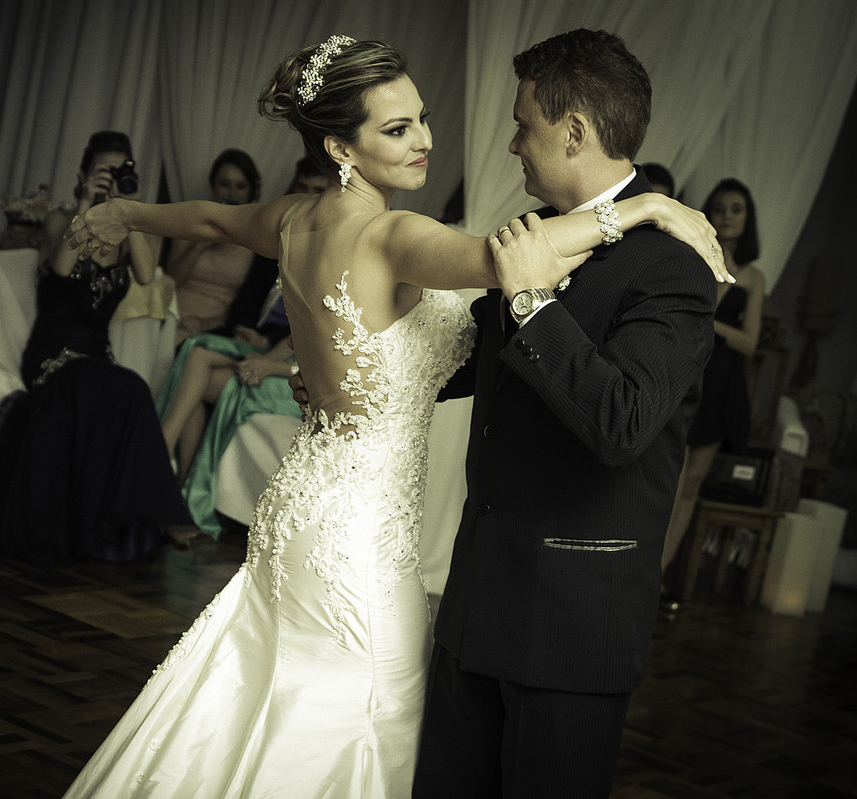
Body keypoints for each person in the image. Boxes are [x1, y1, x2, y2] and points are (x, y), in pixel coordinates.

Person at [59, 35, 723, 797]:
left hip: (320, 512)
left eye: (421, 120)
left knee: (283, 703)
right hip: (367, 543)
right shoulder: (395, 233)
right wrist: (648, 205)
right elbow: (504, 268)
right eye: (399, 127)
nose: (432, 140)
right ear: (341, 145)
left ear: (572, 131)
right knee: (349, 721)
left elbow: (213, 220)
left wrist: (129, 214)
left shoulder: (293, 218)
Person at [404, 29, 725, 798]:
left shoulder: (674, 269)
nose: (514, 143)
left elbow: (621, 420)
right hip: (474, 610)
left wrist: (528, 299)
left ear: (574, 130)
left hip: (571, 631)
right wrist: (354, 368)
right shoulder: (542, 238)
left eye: (524, 125)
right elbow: (462, 359)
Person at [0, 130, 200, 565]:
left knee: (126, 388)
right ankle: (165, 512)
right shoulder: (60, 218)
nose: (112, 179)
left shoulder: (130, 230)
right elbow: (61, 269)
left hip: (97, 358)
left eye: (121, 172)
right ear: (83, 174)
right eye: (104, 172)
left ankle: (132, 517)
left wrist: (127, 210)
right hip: (53, 355)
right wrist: (86, 203)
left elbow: (147, 276)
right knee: (132, 388)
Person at [157, 156, 329, 488]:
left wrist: (266, 359)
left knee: (195, 360)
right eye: (302, 189)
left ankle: (166, 461)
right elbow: (250, 301)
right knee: (195, 351)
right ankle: (173, 475)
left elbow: (305, 335)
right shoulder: (281, 240)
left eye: (317, 191)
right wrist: (246, 333)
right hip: (268, 343)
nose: (308, 197)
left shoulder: (331, 256)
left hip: (298, 363)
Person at [659, 178, 766, 604]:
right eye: (719, 207)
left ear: (748, 217)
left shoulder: (755, 277)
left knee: (693, 484)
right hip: (689, 373)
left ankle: (661, 574)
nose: (726, 214)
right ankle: (642, 571)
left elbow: (751, 343)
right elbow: (690, 319)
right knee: (671, 478)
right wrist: (717, 302)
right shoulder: (692, 255)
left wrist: (716, 324)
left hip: (724, 383)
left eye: (736, 208)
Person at [166, 148, 262, 345]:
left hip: (215, 327)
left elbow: (249, 305)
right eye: (224, 184)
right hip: (171, 315)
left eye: (241, 186)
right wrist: (199, 245)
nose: (232, 193)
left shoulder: (256, 240)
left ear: (251, 192)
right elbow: (169, 281)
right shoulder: (189, 223)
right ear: (213, 187)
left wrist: (204, 323)